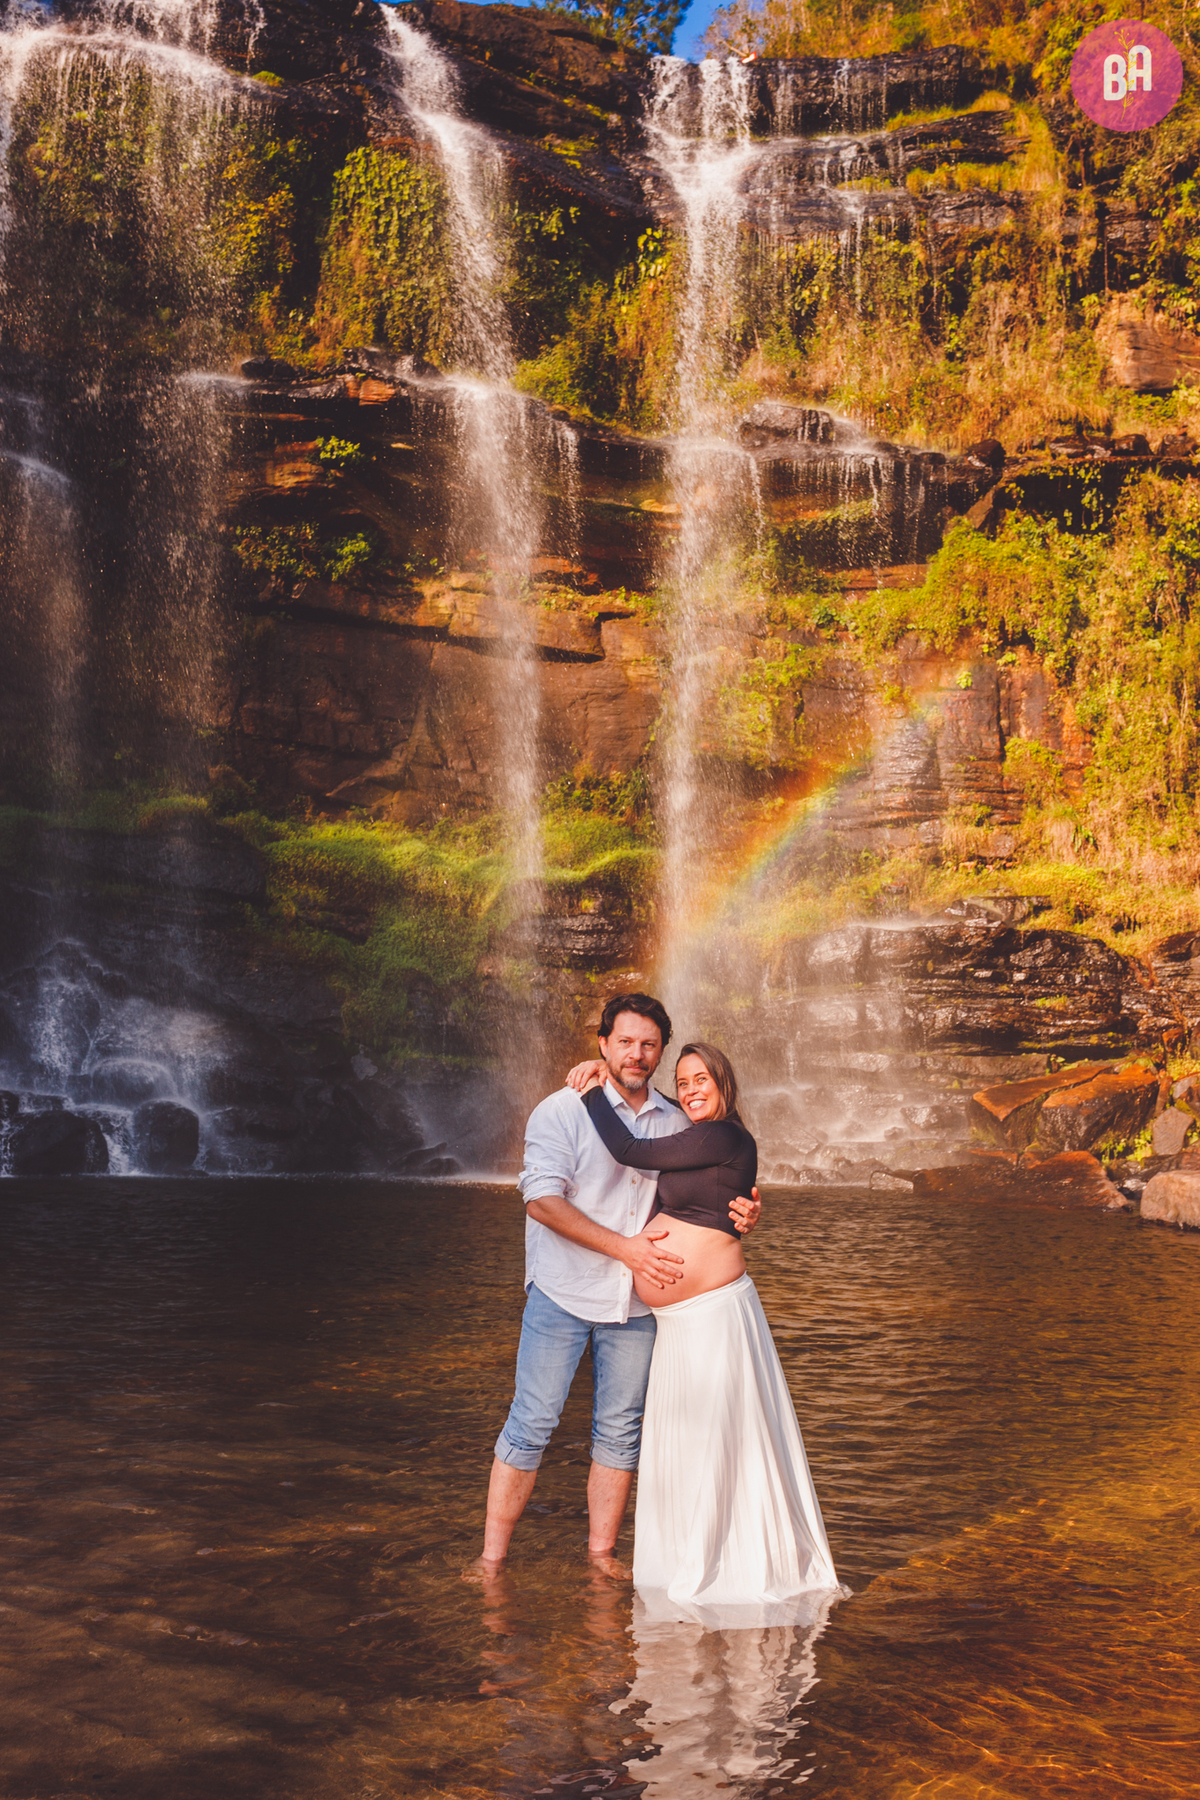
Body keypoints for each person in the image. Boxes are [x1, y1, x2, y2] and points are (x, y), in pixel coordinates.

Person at [473, 994, 760, 1576]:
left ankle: (600, 1557)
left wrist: (747, 1211)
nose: (638, 1052)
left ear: (659, 1053)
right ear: (602, 1045)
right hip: (564, 1291)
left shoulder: (680, 1119)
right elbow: (542, 1203)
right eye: (625, 1041)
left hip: (636, 1305)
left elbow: (709, 1194)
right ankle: (490, 1560)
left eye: (649, 1044)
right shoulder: (561, 1109)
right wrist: (626, 1249)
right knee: (532, 1422)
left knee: (620, 1433)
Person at [576, 1041, 841, 1627]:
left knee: (723, 1442)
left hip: (713, 1318)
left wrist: (599, 1086)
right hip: (680, 1324)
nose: (692, 1089)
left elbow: (628, 1148)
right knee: (688, 1445)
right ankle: (681, 1563)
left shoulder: (722, 1136)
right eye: (683, 1081)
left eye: (703, 1080)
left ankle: (731, 1567)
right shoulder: (706, 1139)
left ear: (724, 1084)